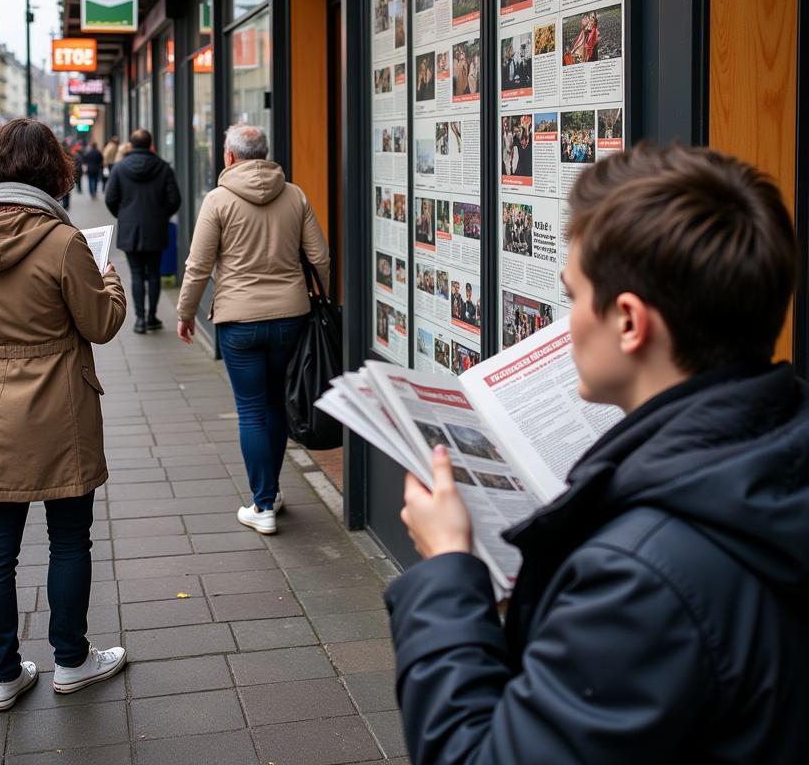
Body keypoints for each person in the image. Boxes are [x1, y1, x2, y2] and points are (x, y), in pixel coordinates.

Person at [387, 143, 809, 763]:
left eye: (574, 294)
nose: (565, 323)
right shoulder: (778, 450)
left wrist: (449, 570)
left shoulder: (642, 578)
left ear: (630, 322)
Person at [0, 118, 127, 713]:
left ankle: (2, 675)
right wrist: (111, 282)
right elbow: (100, 323)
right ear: (54, 171)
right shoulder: (63, 240)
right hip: (60, 409)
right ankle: (71, 661)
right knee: (70, 539)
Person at [175, 124, 329, 536]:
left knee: (251, 410)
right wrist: (322, 298)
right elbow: (319, 255)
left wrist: (185, 313)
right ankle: (272, 492)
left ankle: (262, 504)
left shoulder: (218, 200)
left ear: (229, 157)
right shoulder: (294, 195)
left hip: (238, 323)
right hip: (291, 319)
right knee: (276, 404)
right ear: (263, 154)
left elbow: (198, 265)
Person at [104, 128, 181, 334]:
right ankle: (151, 317)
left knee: (136, 274)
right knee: (154, 273)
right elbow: (175, 200)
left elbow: (110, 198)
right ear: (150, 144)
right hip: (156, 228)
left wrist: (124, 215)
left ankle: (139, 320)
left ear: (132, 144)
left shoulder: (120, 168)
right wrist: (161, 215)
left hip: (130, 229)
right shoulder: (163, 168)